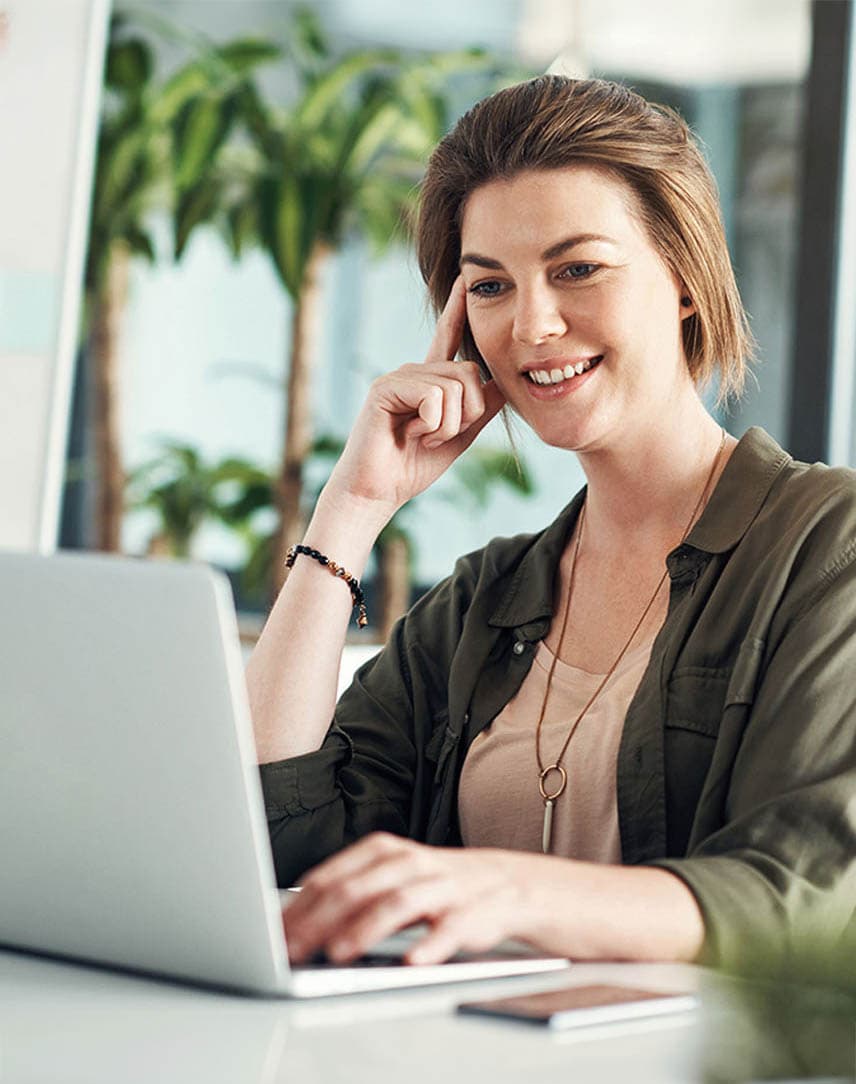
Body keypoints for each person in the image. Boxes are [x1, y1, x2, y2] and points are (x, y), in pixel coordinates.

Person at [246, 76, 856, 977]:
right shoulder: (484, 601)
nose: (531, 323)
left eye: (578, 268)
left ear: (685, 279)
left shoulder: (824, 544)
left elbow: (802, 894)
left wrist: (512, 891)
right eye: (490, 286)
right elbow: (279, 832)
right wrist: (353, 509)